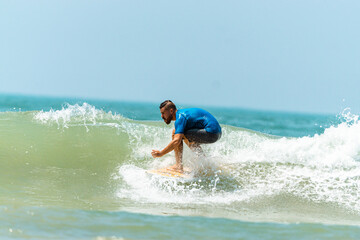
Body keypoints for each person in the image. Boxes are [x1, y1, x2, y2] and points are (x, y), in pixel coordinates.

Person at [151, 100, 222, 172]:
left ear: (171, 111)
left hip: (211, 133)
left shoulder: (180, 117)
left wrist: (161, 153)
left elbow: (176, 141)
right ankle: (204, 163)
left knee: (177, 134)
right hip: (217, 133)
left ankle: (178, 166)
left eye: (163, 113)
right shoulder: (182, 114)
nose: (162, 116)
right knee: (182, 134)